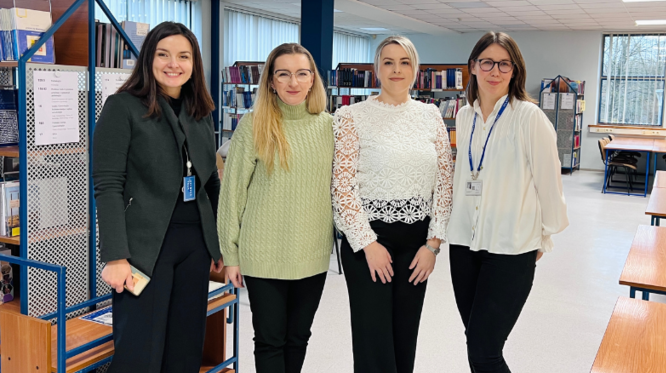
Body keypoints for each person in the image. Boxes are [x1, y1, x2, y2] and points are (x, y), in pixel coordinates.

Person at [93, 21, 222, 373]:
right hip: (145, 249)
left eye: (183, 56)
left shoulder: (200, 111)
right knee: (140, 352)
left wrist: (218, 245)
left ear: (194, 63)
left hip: (194, 243)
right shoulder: (122, 107)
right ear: (149, 58)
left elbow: (209, 183)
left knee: (184, 349)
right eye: (163, 54)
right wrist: (115, 256)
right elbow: (107, 185)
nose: (173, 64)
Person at [447, 32, 569, 373]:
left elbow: (550, 184)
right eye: (487, 62)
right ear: (473, 67)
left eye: (504, 64)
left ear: (515, 71)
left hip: (511, 248)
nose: (494, 71)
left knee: (486, 351)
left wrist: (544, 236)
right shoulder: (464, 116)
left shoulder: (530, 118)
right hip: (464, 245)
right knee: (475, 342)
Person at [332, 35, 453, 373]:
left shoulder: (431, 116)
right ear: (377, 69)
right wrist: (368, 244)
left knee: (404, 336)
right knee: (374, 343)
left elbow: (445, 184)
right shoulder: (350, 116)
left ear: (415, 70)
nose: (396, 69)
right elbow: (342, 187)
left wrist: (433, 245)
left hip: (418, 244)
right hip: (368, 241)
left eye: (404, 62)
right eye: (388, 62)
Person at [219, 43, 334, 373]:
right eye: (283, 74)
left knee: (299, 337)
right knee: (270, 340)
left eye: (302, 73)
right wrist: (231, 254)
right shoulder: (254, 125)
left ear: (313, 80)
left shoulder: (330, 127)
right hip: (263, 253)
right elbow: (232, 195)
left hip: (311, 251)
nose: (293, 82)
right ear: (270, 81)